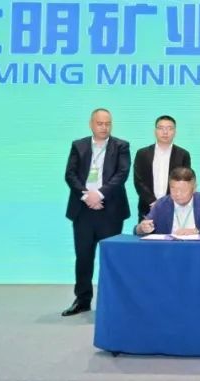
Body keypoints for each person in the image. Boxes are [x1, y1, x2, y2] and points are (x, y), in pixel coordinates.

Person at [62, 108, 130, 317]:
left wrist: (99, 194)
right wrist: (86, 196)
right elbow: (70, 174)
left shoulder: (121, 146)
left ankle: (112, 300)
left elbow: (122, 174)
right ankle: (82, 300)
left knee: (110, 258)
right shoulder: (79, 145)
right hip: (83, 210)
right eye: (100, 123)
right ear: (91, 124)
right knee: (83, 256)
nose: (104, 127)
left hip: (110, 209)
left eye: (108, 123)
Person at [132, 115, 191, 221]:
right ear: (155, 131)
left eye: (169, 128)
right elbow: (139, 181)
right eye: (161, 128)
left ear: (175, 132)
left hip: (175, 208)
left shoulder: (183, 155)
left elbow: (185, 182)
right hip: (148, 208)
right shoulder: (142, 153)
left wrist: (166, 203)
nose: (165, 132)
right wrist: (152, 202)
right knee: (146, 231)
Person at [135, 167, 200, 235]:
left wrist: (197, 231)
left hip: (198, 249)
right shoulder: (161, 204)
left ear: (194, 188)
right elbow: (137, 230)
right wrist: (142, 228)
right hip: (168, 250)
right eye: (173, 189)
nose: (178, 194)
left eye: (183, 190)